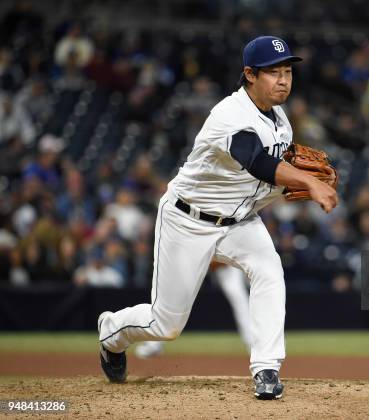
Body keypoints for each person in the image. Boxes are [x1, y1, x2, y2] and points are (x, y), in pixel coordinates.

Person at [97, 35, 338, 400]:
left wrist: (301, 185)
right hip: (188, 220)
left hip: (239, 222)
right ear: (249, 75)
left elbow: (264, 180)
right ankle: (112, 332)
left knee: (270, 271)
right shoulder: (230, 115)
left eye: (288, 71)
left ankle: (266, 369)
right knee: (167, 324)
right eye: (273, 72)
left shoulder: (281, 121)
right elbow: (257, 162)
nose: (284, 79)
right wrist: (307, 181)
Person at [134, 263, 252, 358]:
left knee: (238, 296)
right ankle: (154, 343)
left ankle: (252, 345)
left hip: (224, 258)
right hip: (198, 251)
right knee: (179, 296)